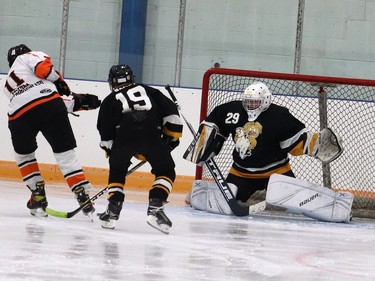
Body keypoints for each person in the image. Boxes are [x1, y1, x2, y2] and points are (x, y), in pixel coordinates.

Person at [184, 81, 345, 220]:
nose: (250, 105)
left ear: (266, 101)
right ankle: (199, 194)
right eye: (248, 102)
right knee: (226, 201)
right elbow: (215, 121)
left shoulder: (278, 115)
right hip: (241, 173)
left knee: (297, 202)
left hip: (276, 172)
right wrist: (205, 141)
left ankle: (337, 206)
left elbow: (296, 140)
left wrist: (316, 144)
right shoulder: (232, 111)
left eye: (255, 102)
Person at [3, 44, 101, 218]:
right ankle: (81, 193)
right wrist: (62, 83)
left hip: (18, 117)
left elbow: (32, 100)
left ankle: (37, 192)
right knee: (65, 154)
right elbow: (44, 75)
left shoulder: (7, 84)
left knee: (24, 155)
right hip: (51, 106)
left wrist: (77, 100)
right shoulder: (28, 56)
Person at [97, 64, 183, 234]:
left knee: (117, 171)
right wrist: (171, 138)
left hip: (124, 135)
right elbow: (172, 114)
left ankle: (113, 210)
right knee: (166, 171)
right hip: (152, 134)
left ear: (112, 82)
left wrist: (113, 152)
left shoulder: (109, 100)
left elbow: (105, 132)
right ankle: (156, 206)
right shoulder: (149, 91)